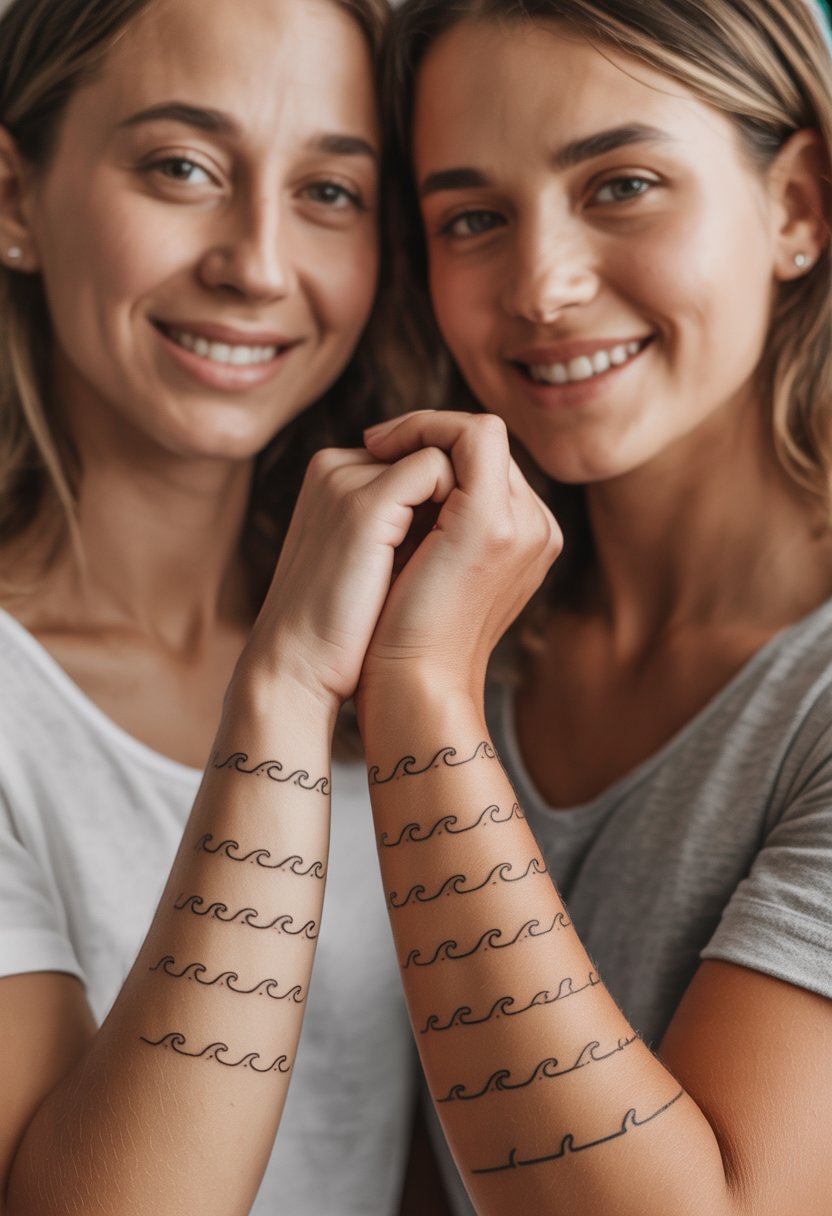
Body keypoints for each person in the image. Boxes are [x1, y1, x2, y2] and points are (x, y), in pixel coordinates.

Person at [352, 0, 832, 1212]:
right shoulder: (471, 632)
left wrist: (419, 695)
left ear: (797, 205)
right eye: (472, 217)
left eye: (620, 184)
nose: (543, 287)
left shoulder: (429, 667)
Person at [0, 0, 457, 1212]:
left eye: (329, 192)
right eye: (181, 167)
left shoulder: (435, 649)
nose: (255, 263)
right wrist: (286, 686)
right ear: (11, 201)